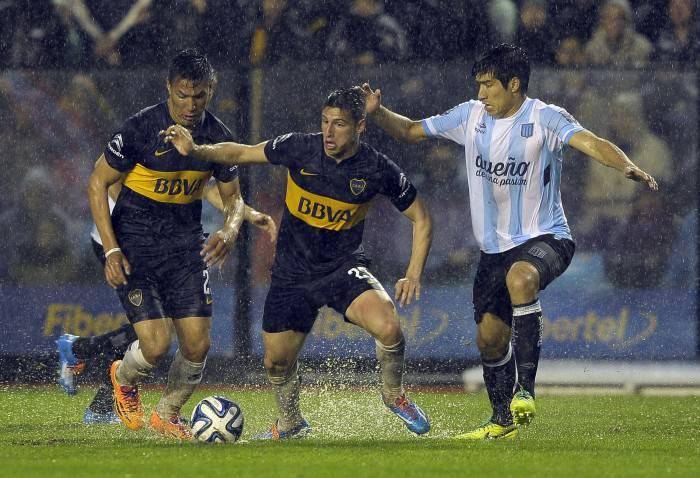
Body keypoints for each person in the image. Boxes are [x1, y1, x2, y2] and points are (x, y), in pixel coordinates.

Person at [360, 43, 658, 439]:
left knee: (521, 278)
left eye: (488, 85)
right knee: (489, 340)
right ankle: (502, 421)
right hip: (492, 252)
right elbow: (411, 130)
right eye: (479, 85)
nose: (481, 94)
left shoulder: (545, 117)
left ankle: (525, 392)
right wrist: (378, 112)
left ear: (514, 84)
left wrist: (626, 165)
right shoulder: (470, 116)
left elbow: (591, 142)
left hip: (547, 236)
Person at [162, 86, 433, 439]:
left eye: (339, 124)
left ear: (360, 127)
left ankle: (394, 395)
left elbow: (422, 218)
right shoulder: (299, 148)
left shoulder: (376, 168)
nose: (329, 132)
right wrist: (198, 150)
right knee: (276, 362)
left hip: (341, 268)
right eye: (324, 121)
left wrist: (413, 273)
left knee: (390, 326)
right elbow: (242, 152)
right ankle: (290, 423)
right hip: (291, 274)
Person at [87, 48, 246, 440]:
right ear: (168, 88)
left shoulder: (218, 138)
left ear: (211, 91)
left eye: (199, 96)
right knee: (156, 345)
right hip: (135, 248)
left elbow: (234, 200)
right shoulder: (140, 129)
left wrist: (230, 230)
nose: (190, 105)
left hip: (185, 250)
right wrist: (111, 249)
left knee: (198, 344)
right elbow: (97, 182)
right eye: (182, 95)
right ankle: (122, 379)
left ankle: (166, 414)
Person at [58, 182, 276, 425]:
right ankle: (88, 369)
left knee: (167, 327)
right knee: (155, 331)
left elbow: (208, 189)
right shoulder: (141, 156)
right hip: (123, 240)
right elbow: (109, 184)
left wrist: (249, 214)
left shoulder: (197, 158)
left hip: (168, 243)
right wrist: (149, 221)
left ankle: (81, 355)